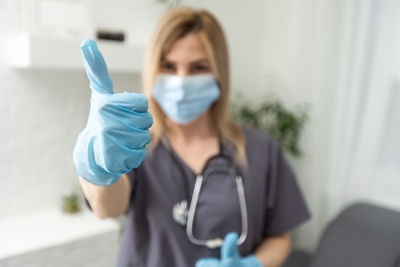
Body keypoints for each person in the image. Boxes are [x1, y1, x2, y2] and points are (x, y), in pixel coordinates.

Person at [73, 7, 311, 267]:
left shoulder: (261, 149)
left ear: (219, 73)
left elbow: (280, 238)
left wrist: (252, 265)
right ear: (153, 69)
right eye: (169, 66)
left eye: (198, 67)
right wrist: (98, 169)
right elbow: (108, 208)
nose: (181, 81)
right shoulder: (135, 145)